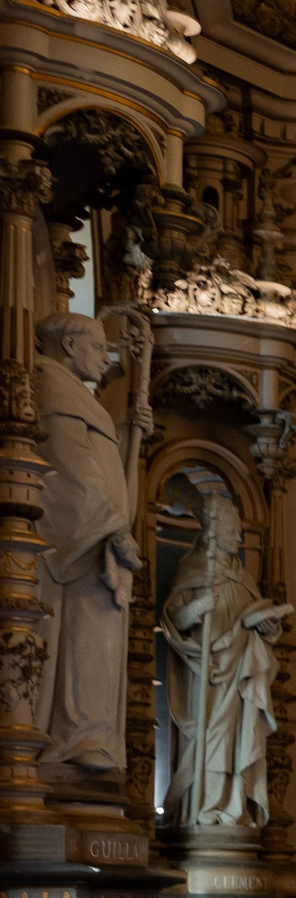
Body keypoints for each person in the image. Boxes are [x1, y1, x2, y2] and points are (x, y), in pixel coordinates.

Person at [32, 312, 141, 773]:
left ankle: (92, 736)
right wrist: (112, 526)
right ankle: (77, 737)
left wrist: (132, 429)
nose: (106, 356)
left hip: (100, 540)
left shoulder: (75, 393)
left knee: (100, 642)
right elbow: (70, 466)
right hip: (84, 545)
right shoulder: (52, 386)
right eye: (98, 347)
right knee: (84, 638)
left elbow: (101, 467)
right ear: (71, 346)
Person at [162, 486, 291, 826]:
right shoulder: (193, 568)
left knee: (239, 742)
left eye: (238, 532)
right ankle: (205, 808)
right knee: (212, 738)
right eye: (232, 532)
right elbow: (172, 619)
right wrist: (195, 609)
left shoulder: (242, 575)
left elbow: (254, 618)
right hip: (206, 672)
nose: (237, 538)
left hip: (240, 674)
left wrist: (266, 625)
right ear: (214, 533)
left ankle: (234, 806)